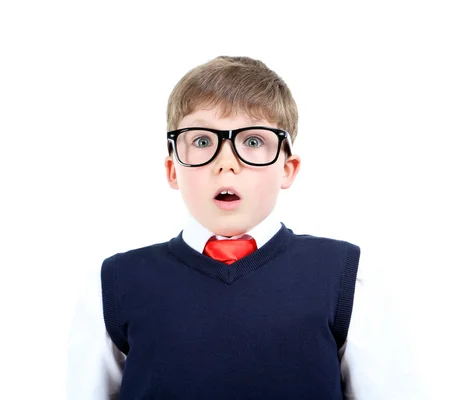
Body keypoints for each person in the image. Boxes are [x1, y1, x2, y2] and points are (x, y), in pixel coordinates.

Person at [66, 56, 384, 399]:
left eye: (252, 142)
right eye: (203, 141)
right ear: (173, 170)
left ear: (288, 169)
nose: (226, 163)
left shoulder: (347, 277)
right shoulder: (116, 282)